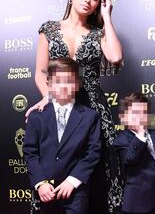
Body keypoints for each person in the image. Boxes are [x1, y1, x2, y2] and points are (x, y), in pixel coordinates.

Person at [25, 0, 123, 213]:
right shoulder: (48, 29)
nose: (88, 0)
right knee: (53, 162)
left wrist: (107, 17)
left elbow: (115, 57)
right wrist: (48, 98)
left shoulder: (99, 32)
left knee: (98, 167)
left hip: (94, 108)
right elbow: (40, 72)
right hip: (57, 104)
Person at [23, 57, 102, 214]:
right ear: (49, 84)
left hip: (76, 192)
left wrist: (73, 181)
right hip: (46, 192)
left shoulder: (89, 116)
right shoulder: (36, 117)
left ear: (78, 84)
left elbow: (93, 152)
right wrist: (40, 183)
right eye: (58, 81)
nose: (64, 86)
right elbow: (30, 152)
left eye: (69, 81)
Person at [113, 93, 155, 214]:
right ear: (124, 117)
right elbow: (131, 159)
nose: (140, 116)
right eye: (135, 113)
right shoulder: (121, 140)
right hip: (139, 204)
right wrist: (140, 133)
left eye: (144, 112)